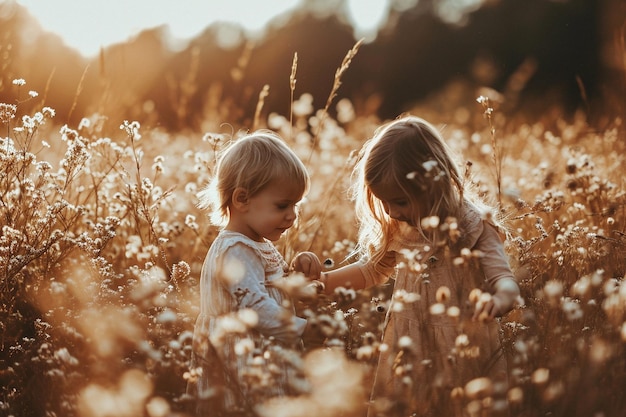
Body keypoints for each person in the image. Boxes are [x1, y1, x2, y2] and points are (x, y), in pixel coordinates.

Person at [294, 115, 522, 416]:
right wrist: (322, 281)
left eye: (400, 201)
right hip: (408, 341)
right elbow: (371, 270)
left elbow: (501, 276)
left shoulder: (474, 226)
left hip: (463, 345)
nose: (391, 211)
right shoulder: (401, 228)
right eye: (384, 202)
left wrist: (503, 297)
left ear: (432, 183)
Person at [187, 131, 321, 416]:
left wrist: (299, 268)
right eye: (283, 205)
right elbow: (256, 307)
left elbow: (275, 285)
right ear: (242, 199)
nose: (292, 215)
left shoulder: (256, 243)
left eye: (296, 205)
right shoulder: (234, 249)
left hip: (259, 353)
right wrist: (302, 329)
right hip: (238, 359)